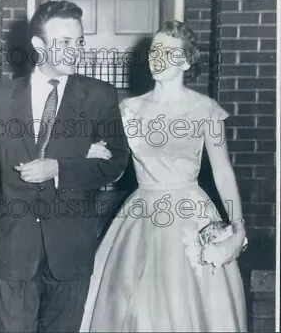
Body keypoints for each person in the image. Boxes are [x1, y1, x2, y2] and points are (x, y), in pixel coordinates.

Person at [0, 0, 129, 333]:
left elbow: (117, 163)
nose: (76, 51)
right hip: (13, 246)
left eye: (79, 42)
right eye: (64, 42)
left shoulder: (99, 96)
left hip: (71, 247)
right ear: (39, 46)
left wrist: (60, 168)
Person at [80, 20, 248, 332]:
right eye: (155, 49)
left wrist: (237, 228)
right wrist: (87, 151)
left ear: (186, 62)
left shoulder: (205, 109)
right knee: (138, 310)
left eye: (169, 51)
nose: (158, 56)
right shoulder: (127, 109)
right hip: (141, 217)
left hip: (191, 214)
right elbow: (107, 159)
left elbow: (223, 172)